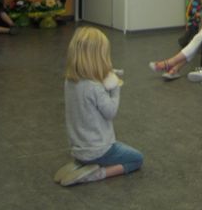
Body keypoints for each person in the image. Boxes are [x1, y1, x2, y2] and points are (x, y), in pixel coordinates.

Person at [55, 26, 143, 186]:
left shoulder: (70, 81)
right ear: (97, 58)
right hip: (99, 150)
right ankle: (97, 174)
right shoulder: (94, 87)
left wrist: (103, 76)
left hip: (78, 148)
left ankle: (80, 164)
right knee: (136, 158)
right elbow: (110, 111)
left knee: (95, 154)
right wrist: (115, 87)